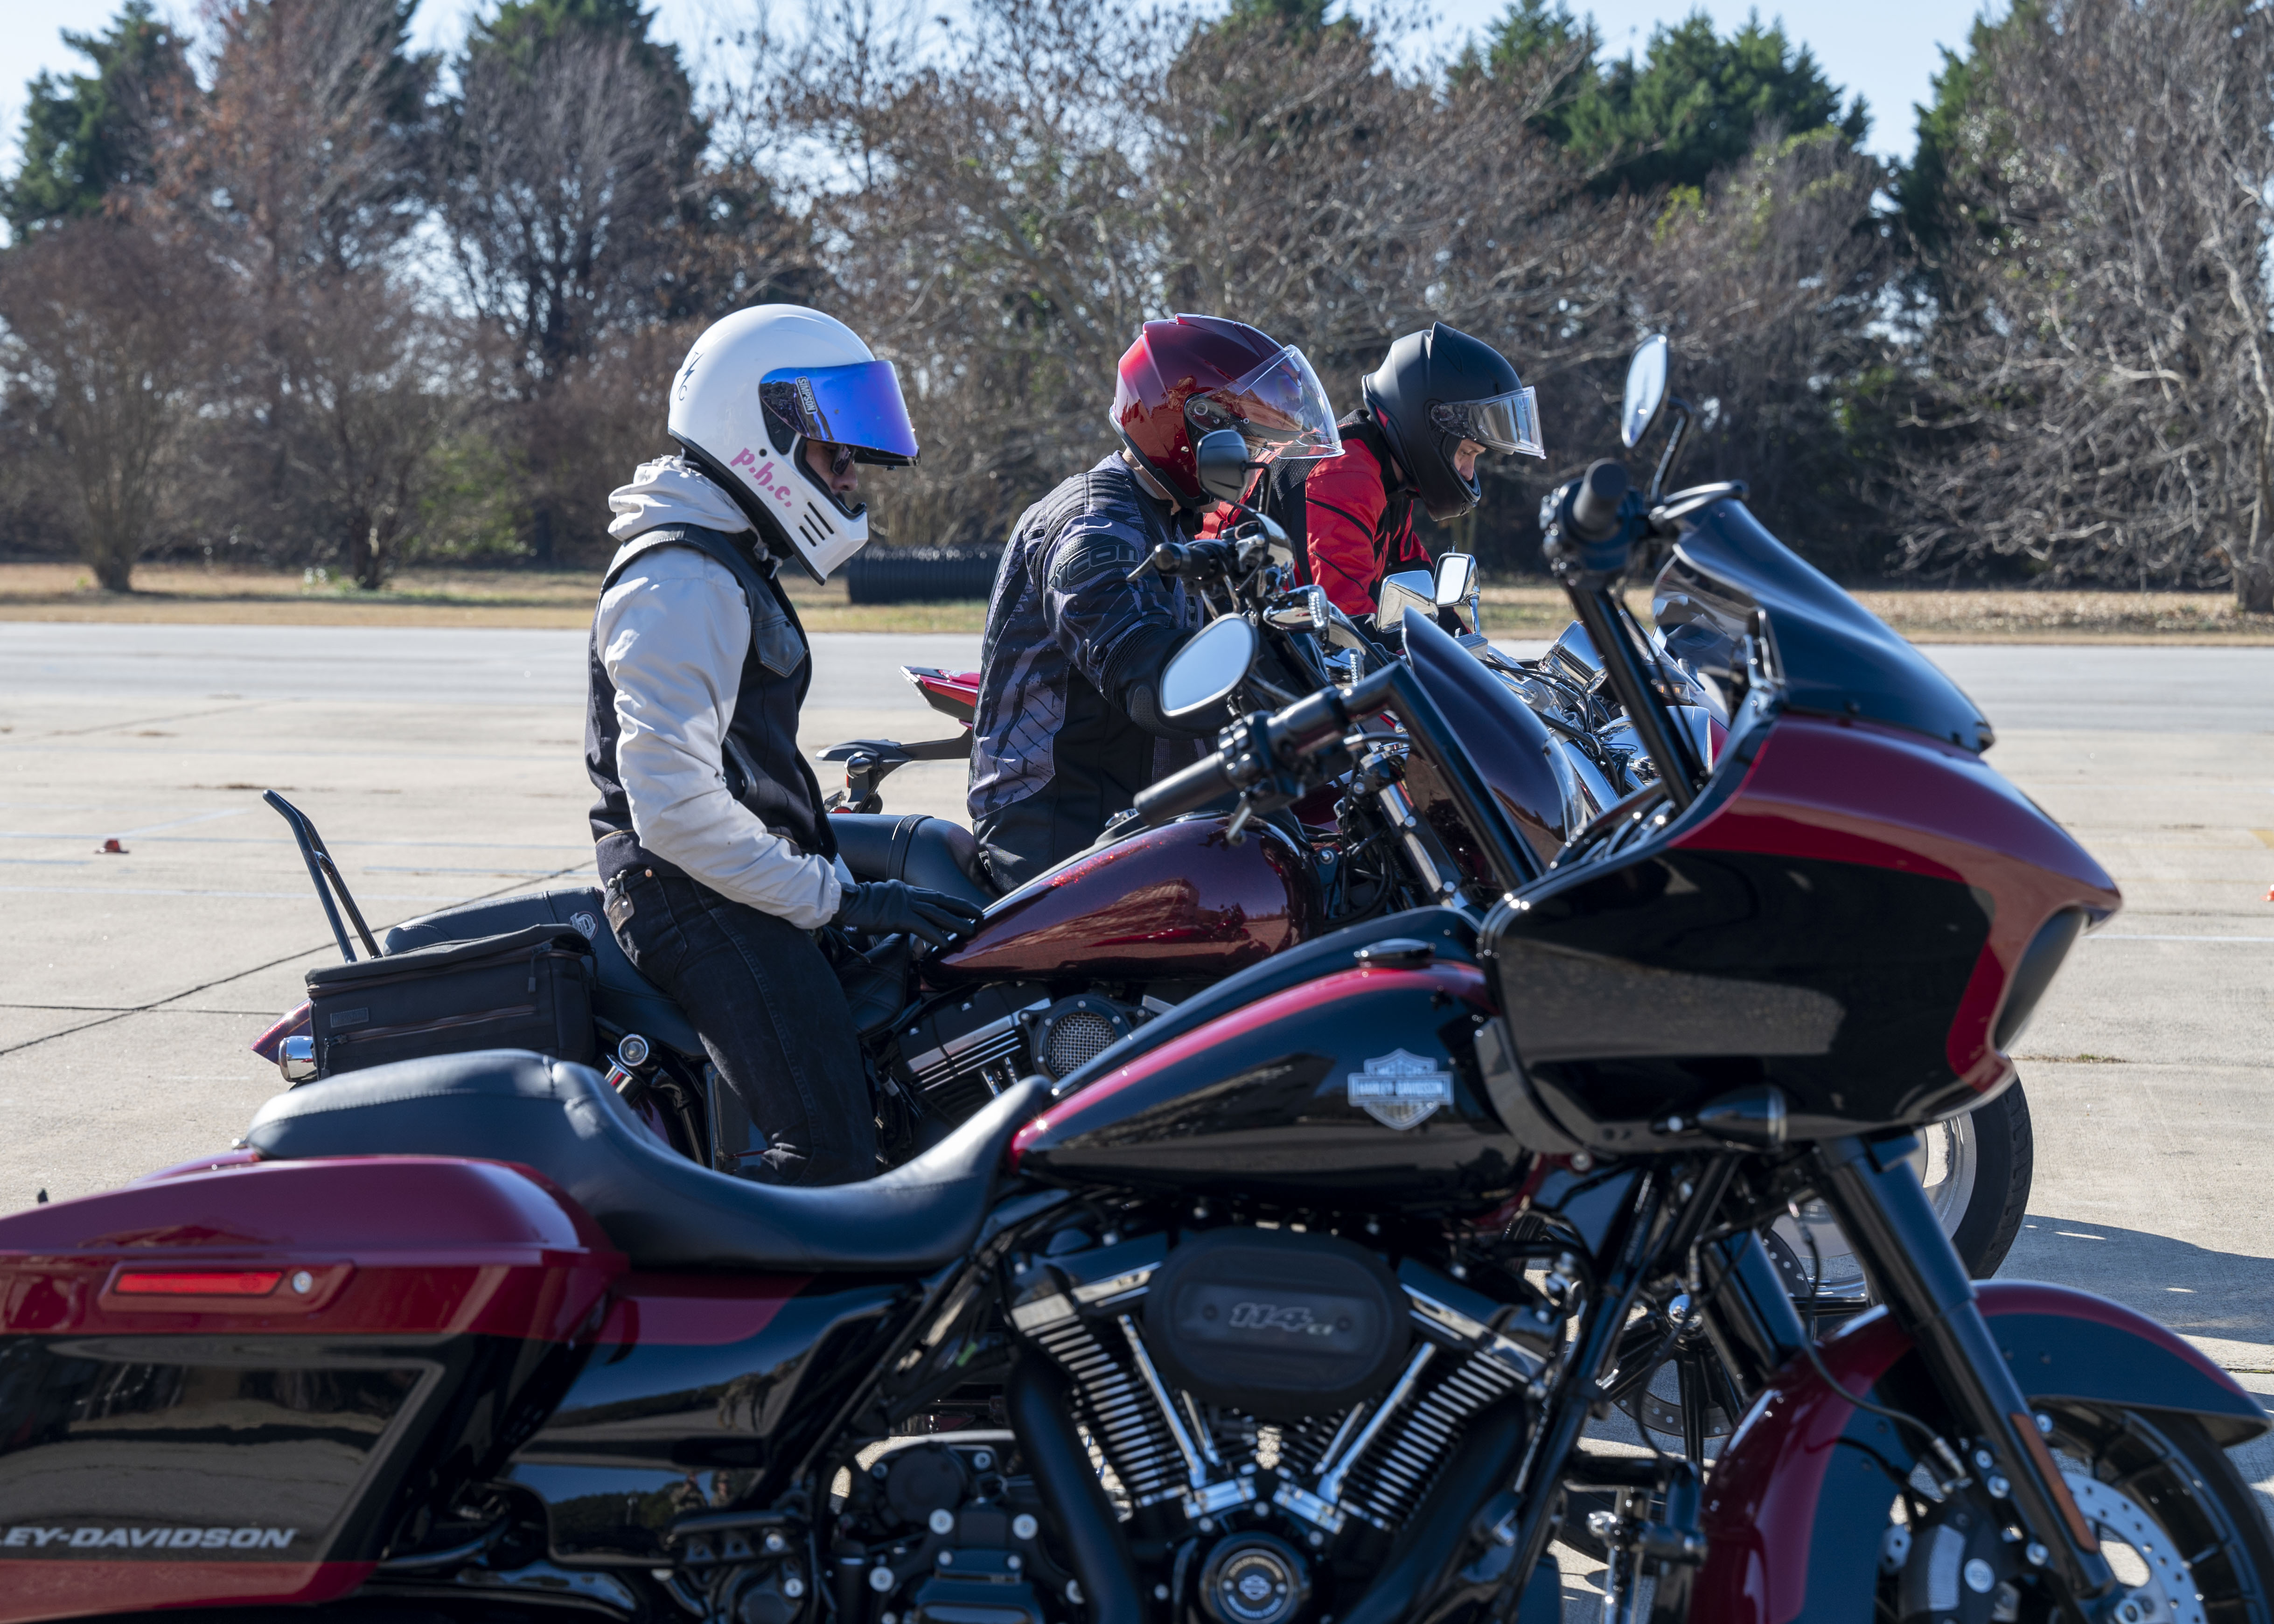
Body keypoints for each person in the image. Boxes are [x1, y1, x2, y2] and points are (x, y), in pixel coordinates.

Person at [586, 304, 984, 1186]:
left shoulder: (722, 556)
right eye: (836, 455)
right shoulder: (680, 578)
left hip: (729, 880)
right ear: (758, 430)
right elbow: (675, 813)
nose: (850, 482)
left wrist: (840, 883)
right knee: (827, 1149)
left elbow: (748, 770)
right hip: (691, 899)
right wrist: (837, 900)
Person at [968, 314, 1344, 888]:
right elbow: (1152, 682)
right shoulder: (1093, 527)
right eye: (1249, 442)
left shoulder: (1168, 520)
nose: (1257, 462)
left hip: (1136, 817)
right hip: (1057, 834)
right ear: (1191, 428)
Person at [1207, 323, 1543, 619]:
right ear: (1431, 428)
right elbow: (1344, 615)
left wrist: (1467, 651)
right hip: (1221, 644)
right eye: (1467, 452)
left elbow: (1417, 588)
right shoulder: (1345, 475)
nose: (1469, 471)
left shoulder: (1388, 480)